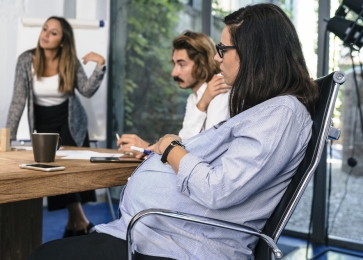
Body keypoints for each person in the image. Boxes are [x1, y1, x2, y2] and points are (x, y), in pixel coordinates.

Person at [27, 3, 319, 260]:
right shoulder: (263, 111)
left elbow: (218, 190)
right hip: (160, 232)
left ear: (253, 54)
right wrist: (164, 150)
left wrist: (171, 149)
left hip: (179, 243)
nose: (217, 59)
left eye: (223, 50)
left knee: (43, 255)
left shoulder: (282, 114)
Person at [6, 16, 106, 237]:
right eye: (45, 29)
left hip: (70, 122)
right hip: (43, 124)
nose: (46, 35)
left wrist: (100, 65)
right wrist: (6, 139)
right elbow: (17, 102)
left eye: (53, 33)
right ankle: (79, 225)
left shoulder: (69, 60)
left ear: (62, 41)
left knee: (70, 174)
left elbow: (87, 90)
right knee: (54, 173)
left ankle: (77, 224)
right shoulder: (26, 60)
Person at [118, 31, 230, 157]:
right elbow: (182, 143)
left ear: (201, 63)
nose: (174, 73)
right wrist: (148, 148)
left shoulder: (220, 91)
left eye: (182, 64)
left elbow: (206, 151)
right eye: (174, 64)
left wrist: (148, 147)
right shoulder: (193, 98)